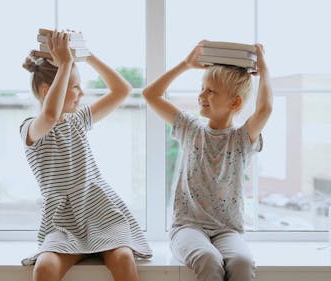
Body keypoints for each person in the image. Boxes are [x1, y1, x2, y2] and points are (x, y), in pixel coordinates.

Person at [20, 30, 152, 281]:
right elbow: (49, 116)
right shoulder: (30, 128)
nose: (81, 94)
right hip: (63, 221)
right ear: (49, 91)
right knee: (45, 268)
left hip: (100, 213)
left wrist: (85, 56)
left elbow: (122, 90)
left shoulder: (78, 119)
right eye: (76, 87)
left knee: (123, 258)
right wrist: (66, 64)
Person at [142, 41, 272, 281]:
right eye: (202, 88)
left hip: (227, 231)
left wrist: (263, 69)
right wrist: (186, 64)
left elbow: (264, 110)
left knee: (243, 262)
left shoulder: (241, 139)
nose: (201, 95)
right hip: (188, 228)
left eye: (211, 91)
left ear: (234, 103)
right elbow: (150, 94)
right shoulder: (190, 129)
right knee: (208, 259)